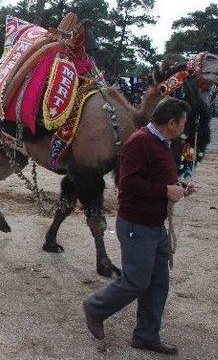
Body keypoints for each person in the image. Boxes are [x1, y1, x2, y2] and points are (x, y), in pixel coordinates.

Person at [83, 97, 195, 356]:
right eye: (182, 123)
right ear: (170, 123)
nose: (183, 128)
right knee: (136, 281)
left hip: (154, 226)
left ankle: (146, 335)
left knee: (158, 283)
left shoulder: (160, 142)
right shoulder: (139, 142)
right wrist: (166, 190)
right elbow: (128, 184)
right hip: (137, 225)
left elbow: (155, 176)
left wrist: (178, 186)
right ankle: (95, 307)